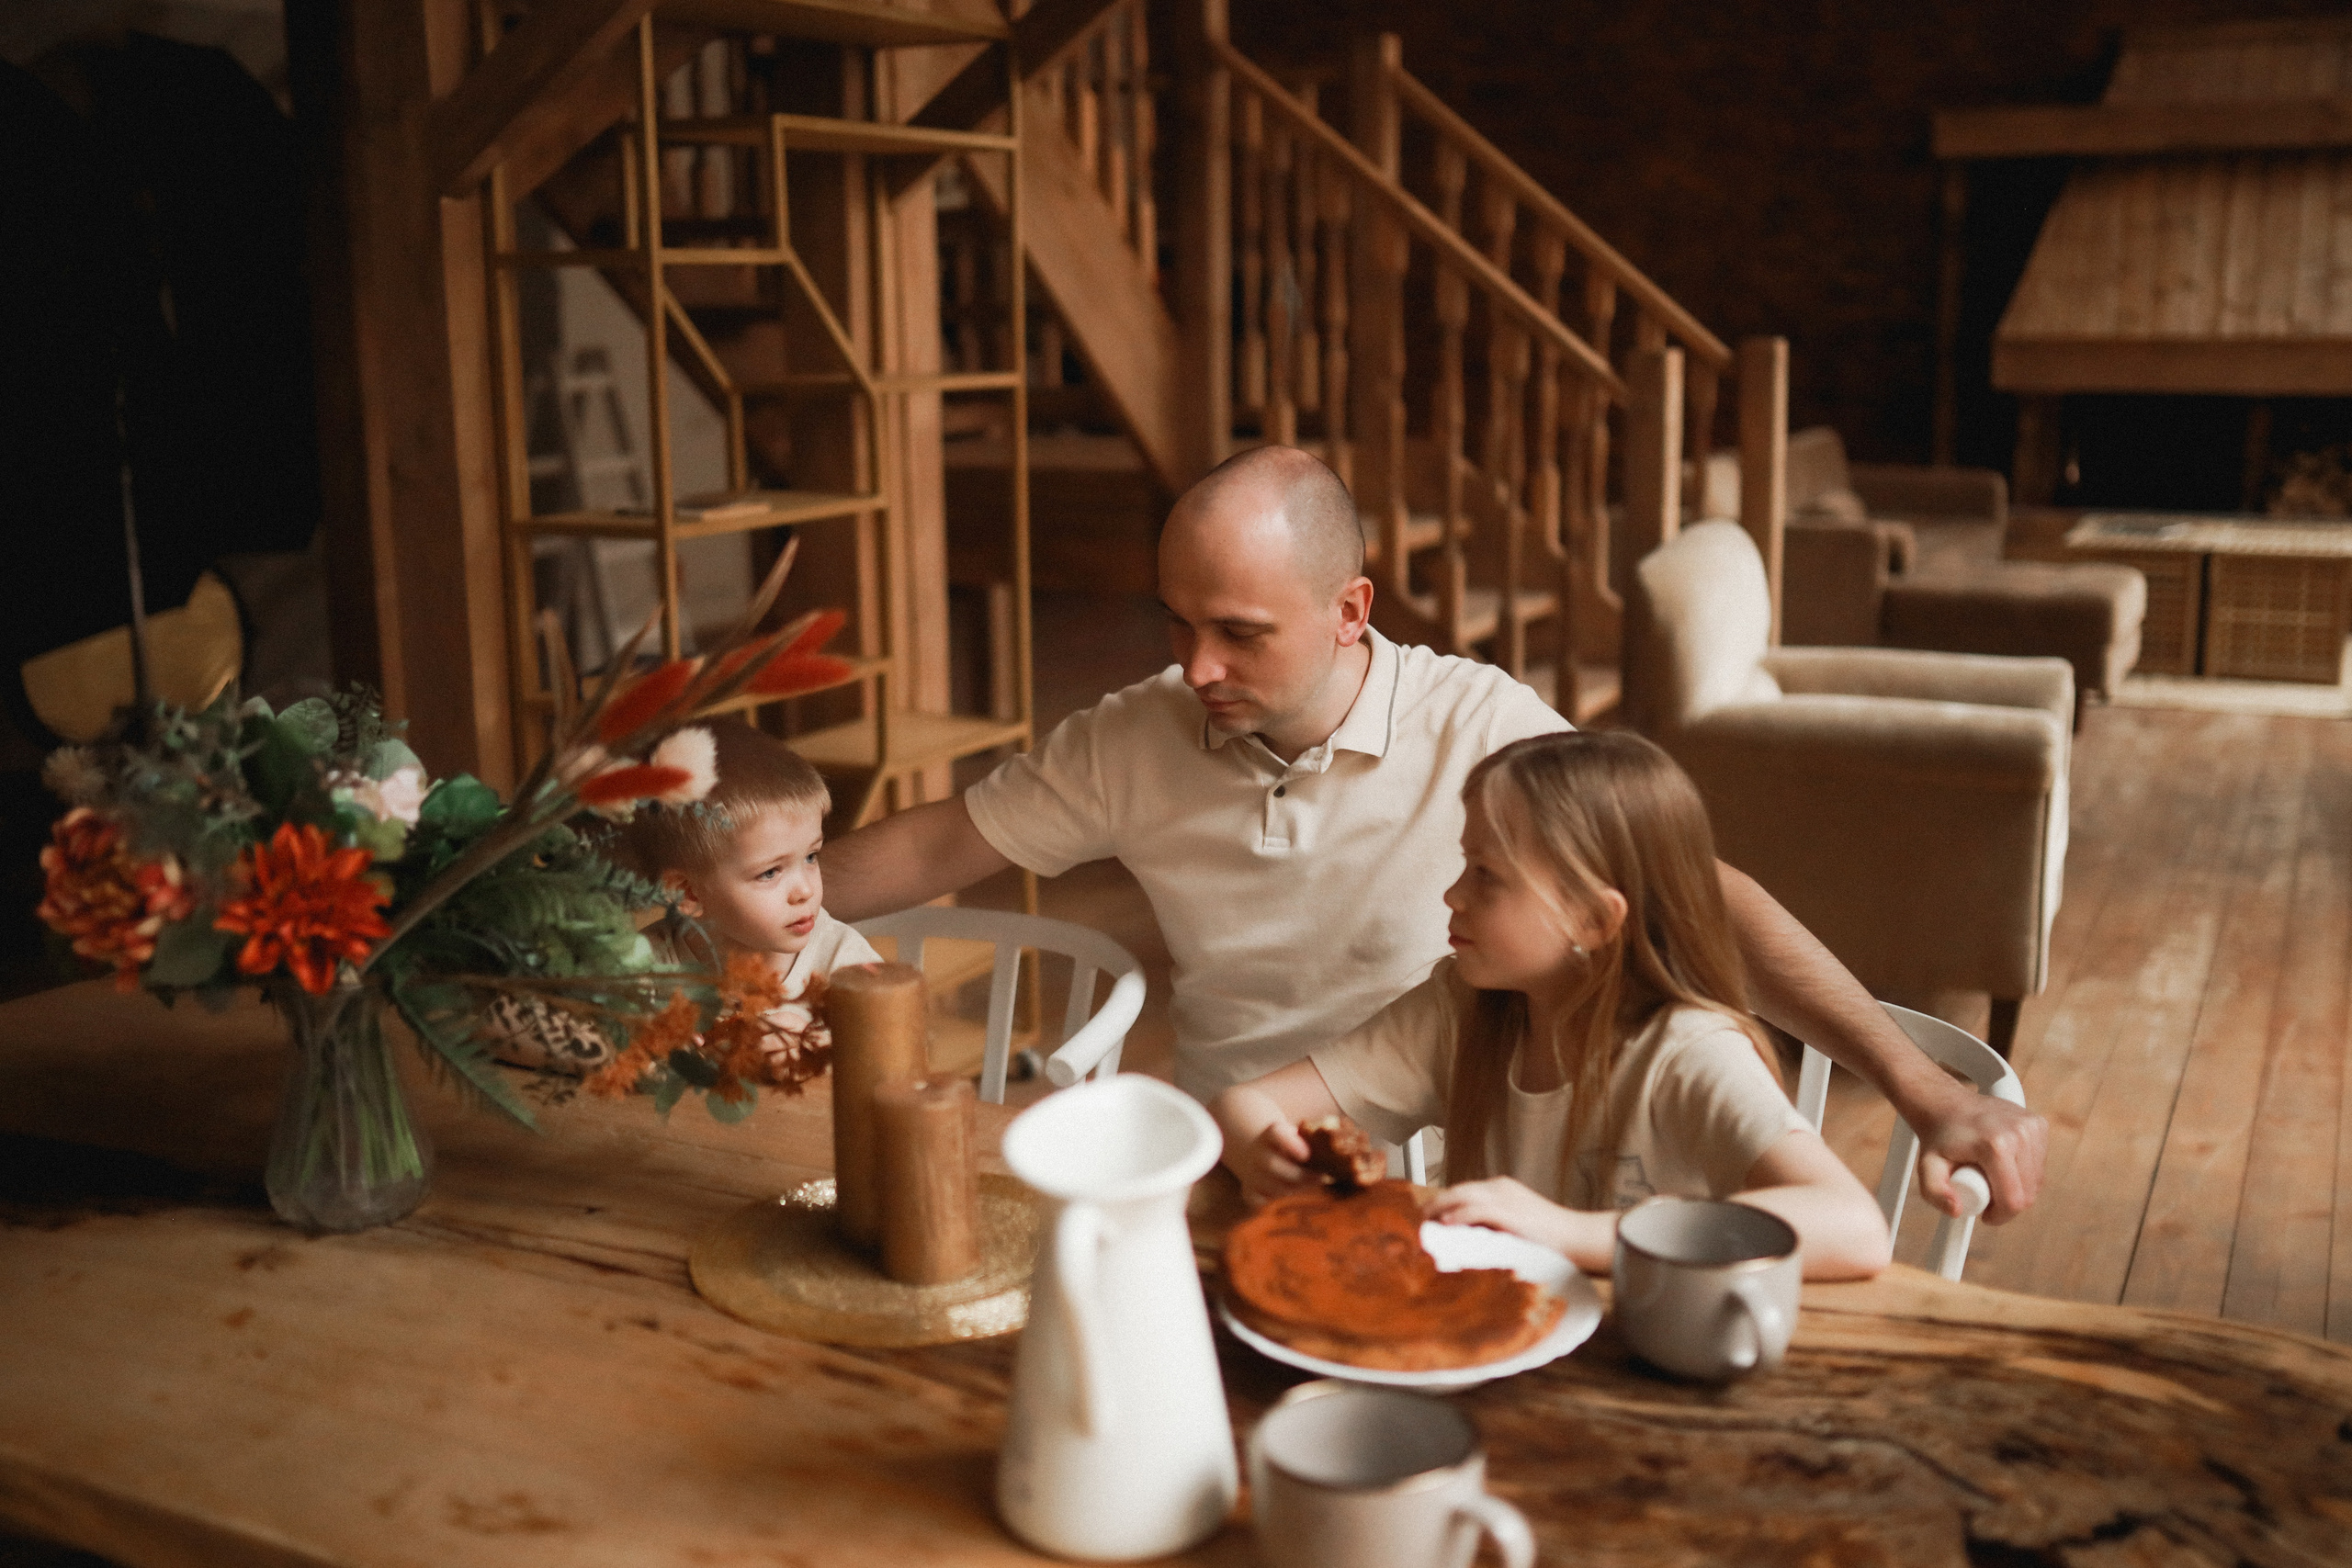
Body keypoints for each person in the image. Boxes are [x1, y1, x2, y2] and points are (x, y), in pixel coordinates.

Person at [821, 446, 2047, 1223]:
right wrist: (747, 894)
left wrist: (1920, 1082)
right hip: (1225, 1159)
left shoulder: (1487, 725)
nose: (1192, 665)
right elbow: (938, 847)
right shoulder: (1133, 733)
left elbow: (1697, 894)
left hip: (1447, 1183)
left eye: (1239, 631)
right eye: (1177, 620)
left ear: (1351, 610)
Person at [1211, 730, 1891, 1279]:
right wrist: (1263, 1155)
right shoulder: (1463, 1006)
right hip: (1494, 1338)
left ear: (1593, 920)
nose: (1453, 894)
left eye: (1488, 875)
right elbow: (1246, 1102)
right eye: (1462, 863)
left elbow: (1855, 1229)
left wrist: (1569, 1233)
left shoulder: (1687, 1052)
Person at [492, 723, 879, 1076]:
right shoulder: (648, 966)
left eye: (811, 856)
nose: (805, 890)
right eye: (771, 872)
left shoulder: (842, 959)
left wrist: (825, 1049)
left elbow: (896, 1054)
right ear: (687, 893)